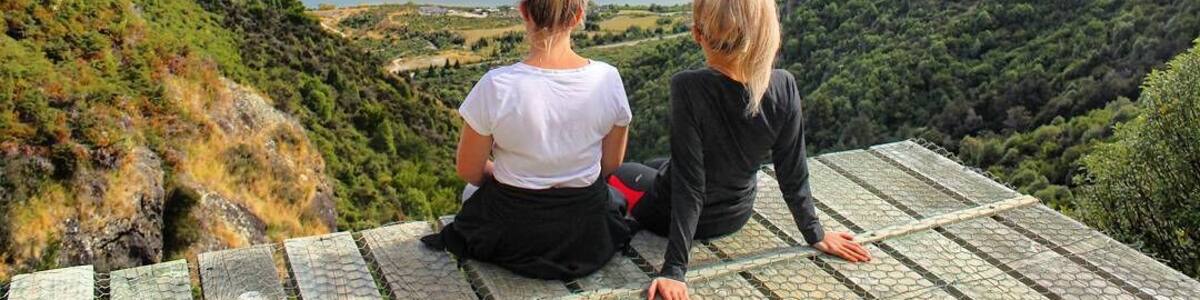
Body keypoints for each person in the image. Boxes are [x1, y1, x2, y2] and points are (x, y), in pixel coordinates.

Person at [608, 0, 872, 299]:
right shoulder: (783, 86)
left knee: (621, 172)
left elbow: (691, 186)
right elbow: (792, 174)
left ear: (697, 34)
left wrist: (674, 270)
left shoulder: (688, 87)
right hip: (736, 214)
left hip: (666, 214)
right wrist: (816, 233)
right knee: (659, 163)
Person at [422, 0, 633, 280]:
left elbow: (469, 171)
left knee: (469, 193)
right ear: (579, 16)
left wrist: (510, 175)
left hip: (514, 232)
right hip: (585, 232)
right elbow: (610, 164)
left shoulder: (496, 85)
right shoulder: (608, 78)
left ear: (523, 11)